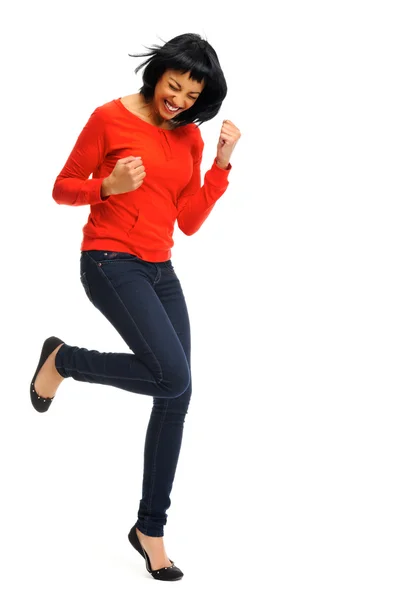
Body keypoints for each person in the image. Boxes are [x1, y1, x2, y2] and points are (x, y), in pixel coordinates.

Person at [30, 32, 241, 581]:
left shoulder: (189, 138)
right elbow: (62, 187)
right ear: (159, 74)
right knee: (172, 374)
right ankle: (65, 360)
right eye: (175, 86)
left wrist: (219, 166)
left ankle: (150, 527)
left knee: (178, 390)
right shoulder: (109, 118)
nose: (180, 100)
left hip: (161, 268)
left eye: (192, 95)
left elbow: (188, 220)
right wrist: (108, 185)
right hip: (108, 262)